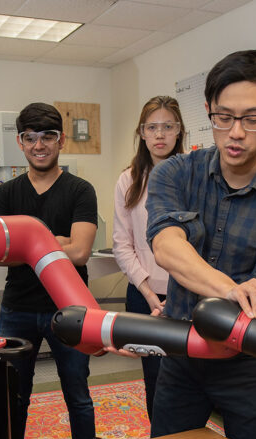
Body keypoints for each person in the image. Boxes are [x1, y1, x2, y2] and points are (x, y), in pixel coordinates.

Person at [146, 49, 256, 439]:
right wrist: (229, 289)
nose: (236, 133)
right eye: (223, 118)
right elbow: (167, 246)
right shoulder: (174, 172)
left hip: (249, 365)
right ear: (208, 111)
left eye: (252, 118)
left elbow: (255, 307)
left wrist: (231, 297)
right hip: (181, 352)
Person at [0, 102, 98, 439]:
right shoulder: (5, 194)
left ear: (61, 140)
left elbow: (81, 251)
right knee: (12, 397)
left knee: (77, 394)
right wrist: (56, 243)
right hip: (18, 308)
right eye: (30, 137)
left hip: (70, 309)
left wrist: (26, 243)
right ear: (20, 142)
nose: (39, 145)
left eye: (48, 136)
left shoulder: (80, 190)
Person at [112, 95, 185, 421]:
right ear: (142, 132)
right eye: (152, 127)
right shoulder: (129, 179)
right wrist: (149, 293)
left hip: (187, 294)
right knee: (156, 381)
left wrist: (181, 290)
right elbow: (121, 244)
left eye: (167, 126)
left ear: (179, 130)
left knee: (188, 376)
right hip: (144, 296)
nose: (160, 135)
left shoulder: (194, 176)